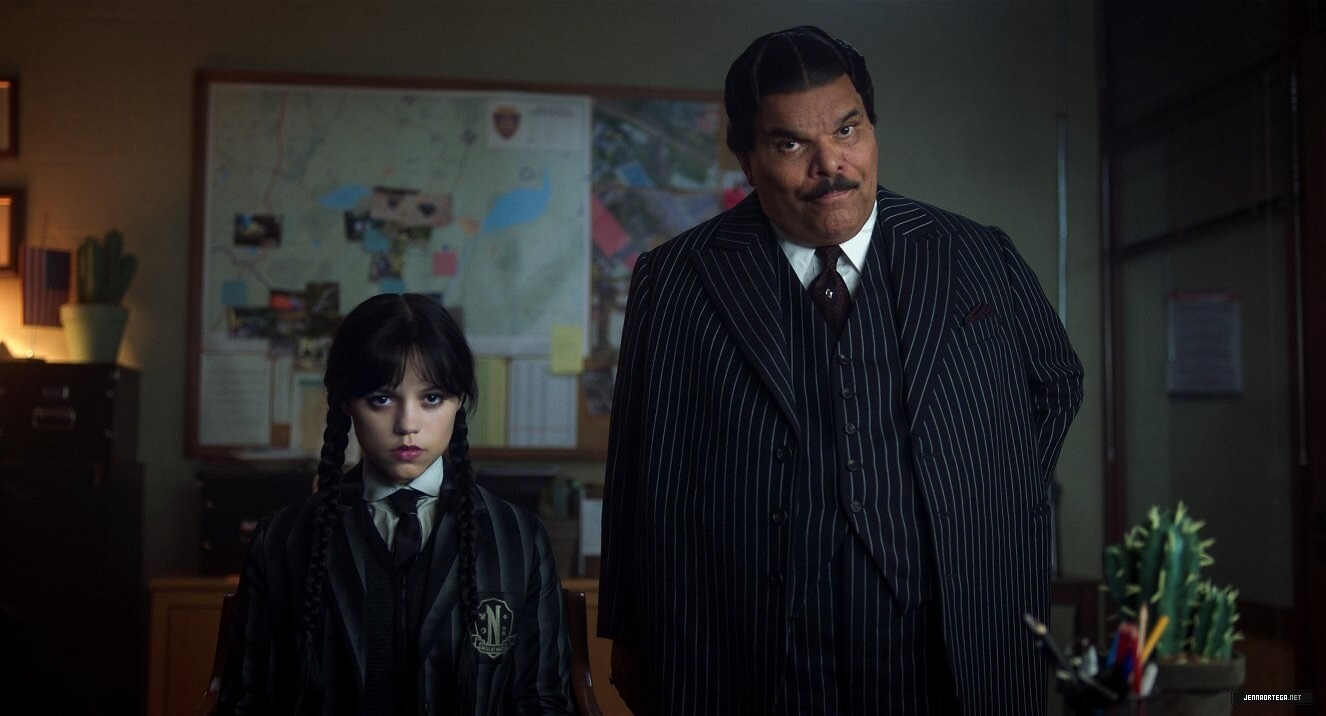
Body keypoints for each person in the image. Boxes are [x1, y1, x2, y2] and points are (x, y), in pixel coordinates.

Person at [598, 25, 1083, 715]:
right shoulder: (675, 278)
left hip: (942, 633)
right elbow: (638, 455)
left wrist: (981, 500)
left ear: (872, 127)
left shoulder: (975, 254)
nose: (832, 165)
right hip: (745, 638)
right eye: (791, 144)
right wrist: (625, 629)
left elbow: (1055, 385)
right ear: (747, 157)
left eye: (848, 130)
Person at [219, 293, 575, 715]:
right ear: (347, 402)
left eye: (431, 398)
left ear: (459, 401)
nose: (408, 424)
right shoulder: (283, 540)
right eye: (382, 399)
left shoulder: (518, 538)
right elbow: (248, 700)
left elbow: (543, 700)